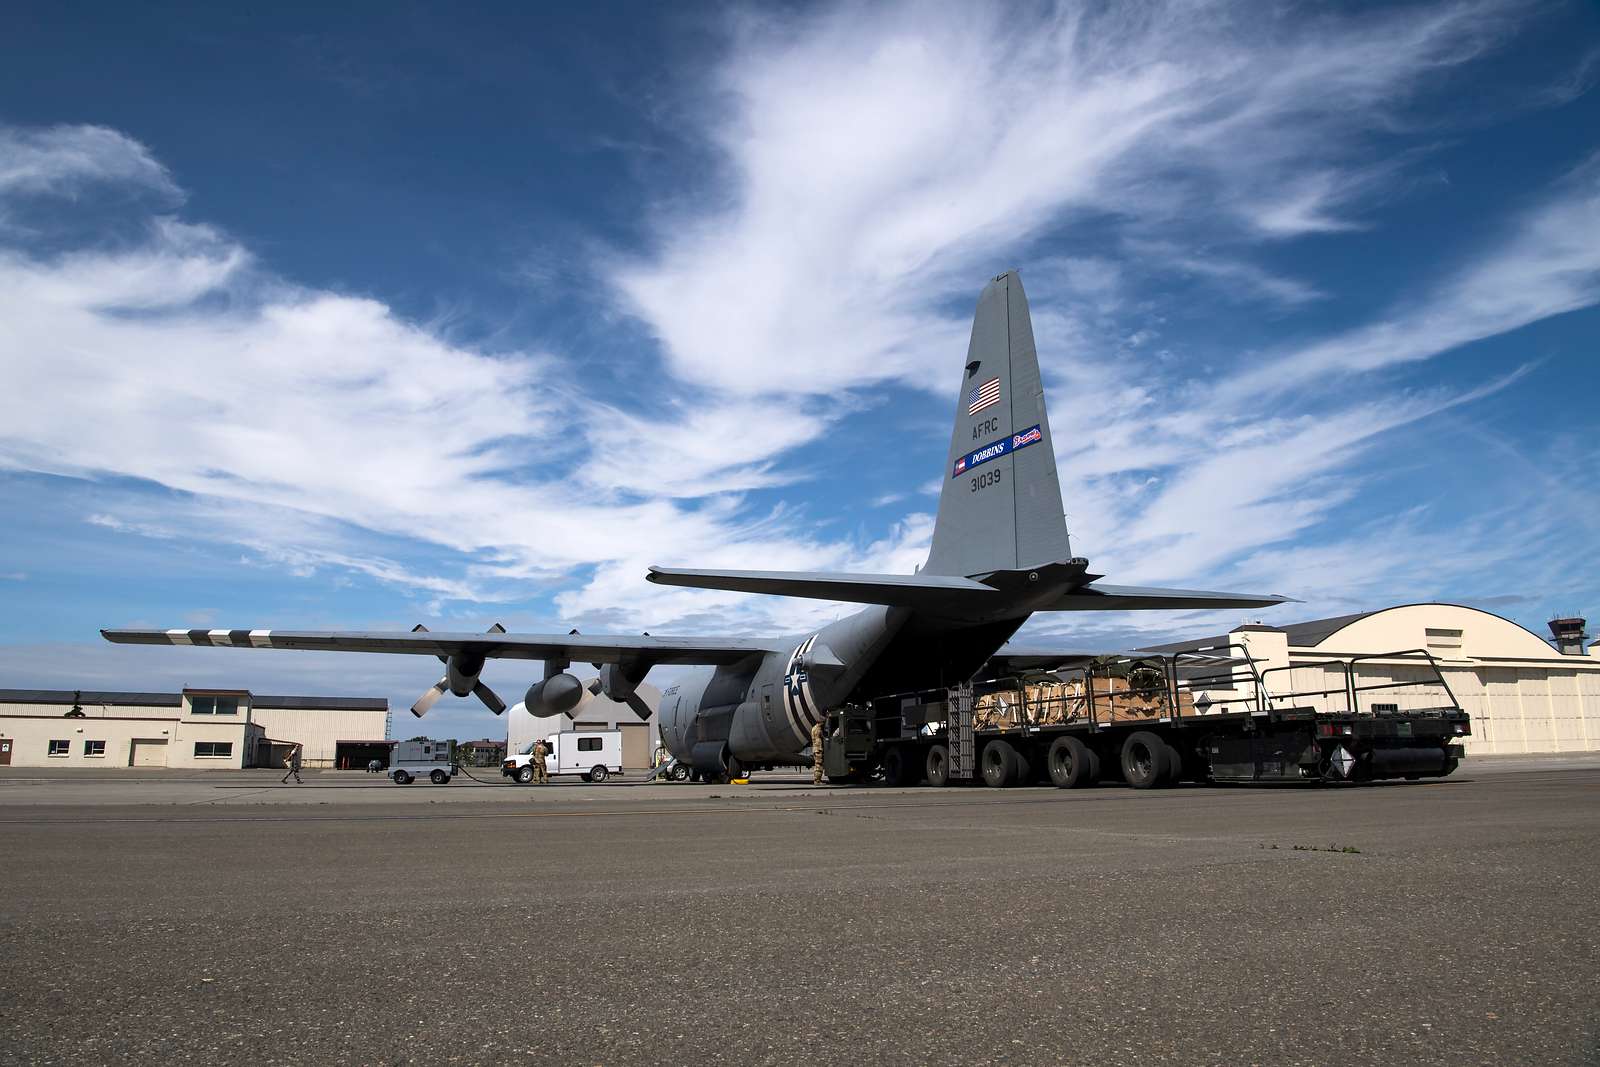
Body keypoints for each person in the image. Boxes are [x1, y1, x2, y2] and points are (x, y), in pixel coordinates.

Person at [811, 719, 825, 786]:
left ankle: (817, 780)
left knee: (817, 765)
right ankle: (817, 781)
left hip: (815, 748)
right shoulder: (818, 729)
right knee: (819, 765)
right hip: (818, 749)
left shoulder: (814, 728)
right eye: (822, 722)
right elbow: (821, 737)